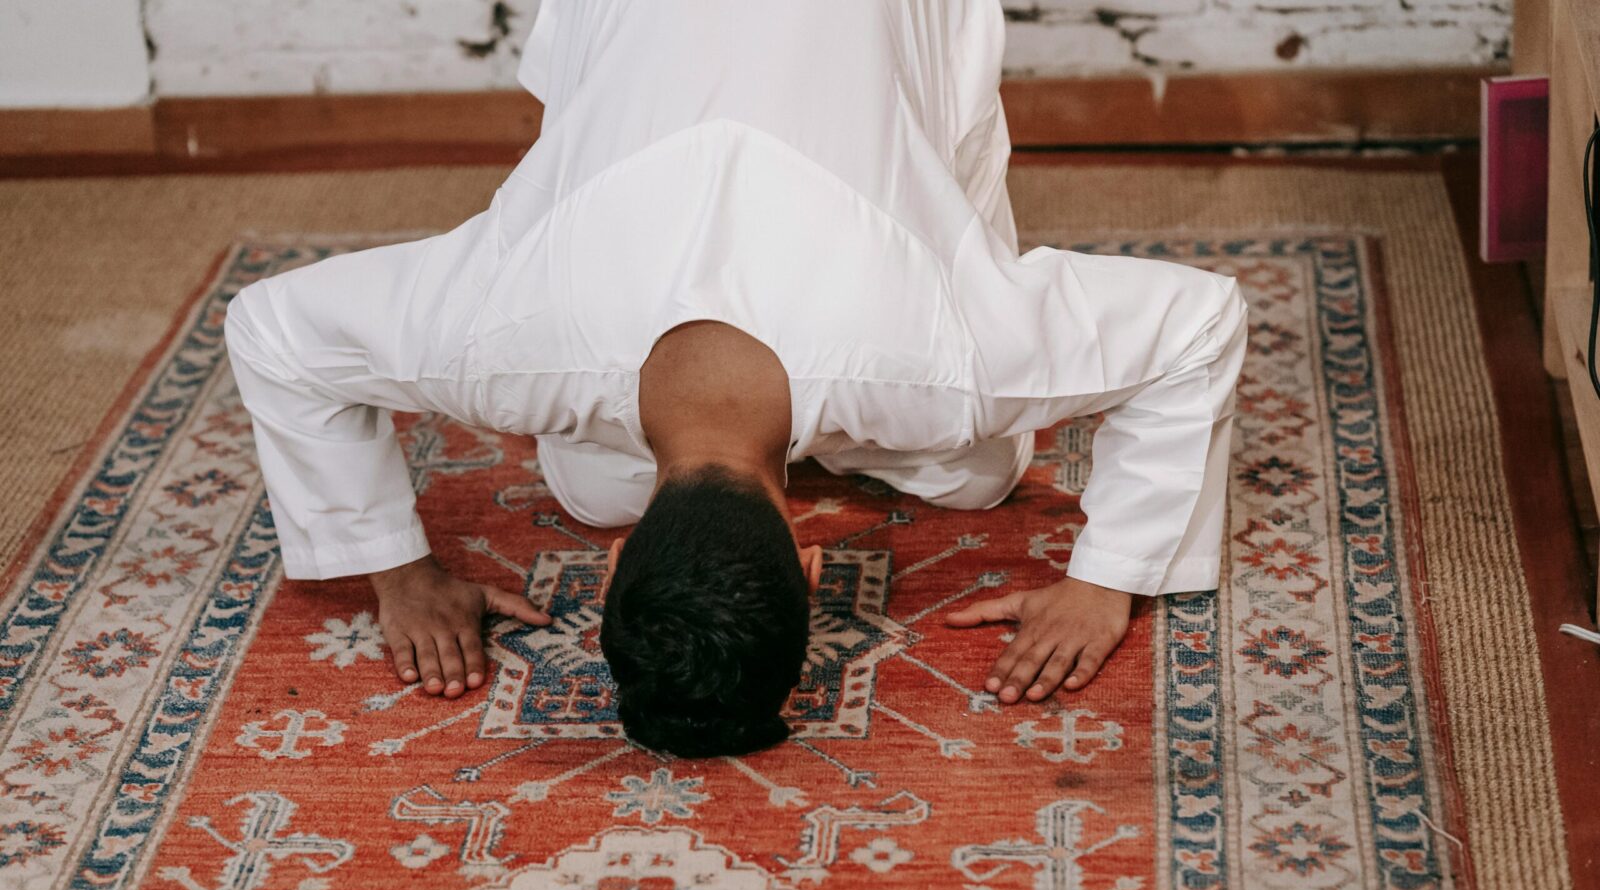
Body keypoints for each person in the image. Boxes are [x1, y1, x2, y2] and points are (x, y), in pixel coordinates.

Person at [223, 0, 1249, 757]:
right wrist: (394, 570)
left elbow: (1202, 323)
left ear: (810, 565)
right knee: (603, 481)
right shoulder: (492, 343)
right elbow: (270, 328)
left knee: (974, 468)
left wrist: (1109, 575)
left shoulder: (941, 354)